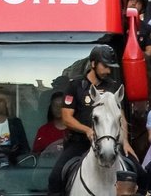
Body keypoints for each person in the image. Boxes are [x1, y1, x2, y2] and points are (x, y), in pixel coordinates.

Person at [47, 44, 131, 196]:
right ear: (93, 64)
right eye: (105, 66)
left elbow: (121, 118)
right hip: (79, 143)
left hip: (110, 143)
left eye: (110, 67)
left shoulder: (113, 87)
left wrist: (125, 142)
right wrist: (87, 130)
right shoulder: (75, 86)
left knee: (140, 174)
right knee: (55, 179)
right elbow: (66, 118)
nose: (108, 71)